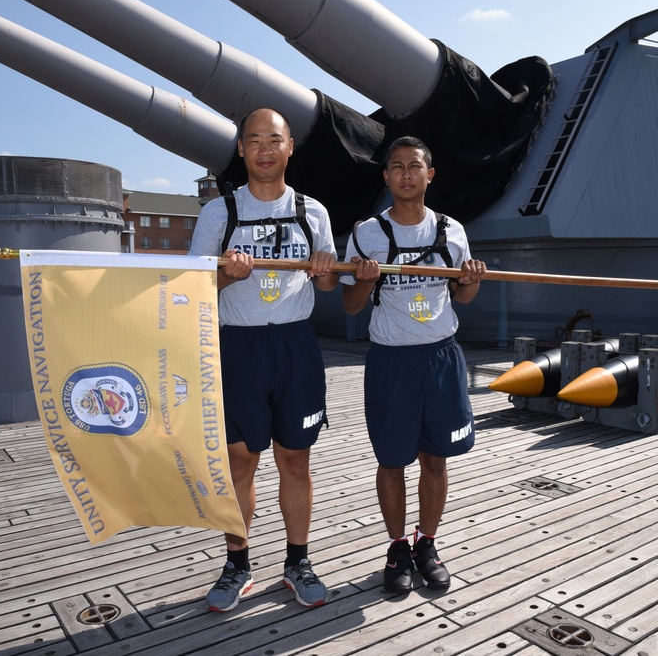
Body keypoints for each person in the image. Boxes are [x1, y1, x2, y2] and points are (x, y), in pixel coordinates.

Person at [188, 108, 338, 611]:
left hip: (295, 345)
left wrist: (324, 270)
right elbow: (193, 287)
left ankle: (297, 561)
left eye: (275, 139)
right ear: (241, 150)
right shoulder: (218, 213)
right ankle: (238, 564)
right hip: (238, 347)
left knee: (295, 459)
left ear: (290, 147)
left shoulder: (313, 211)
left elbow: (331, 281)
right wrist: (228, 275)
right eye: (254, 140)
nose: (265, 149)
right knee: (240, 460)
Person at [341, 136, 487, 594]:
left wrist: (472, 281)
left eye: (415, 166)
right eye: (397, 166)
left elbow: (462, 295)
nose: (406, 173)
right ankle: (397, 546)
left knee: (436, 459)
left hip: (441, 358)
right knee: (392, 460)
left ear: (430, 174)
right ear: (386, 177)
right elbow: (349, 306)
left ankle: (427, 543)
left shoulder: (452, 231)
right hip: (391, 361)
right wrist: (364, 280)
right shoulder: (367, 233)